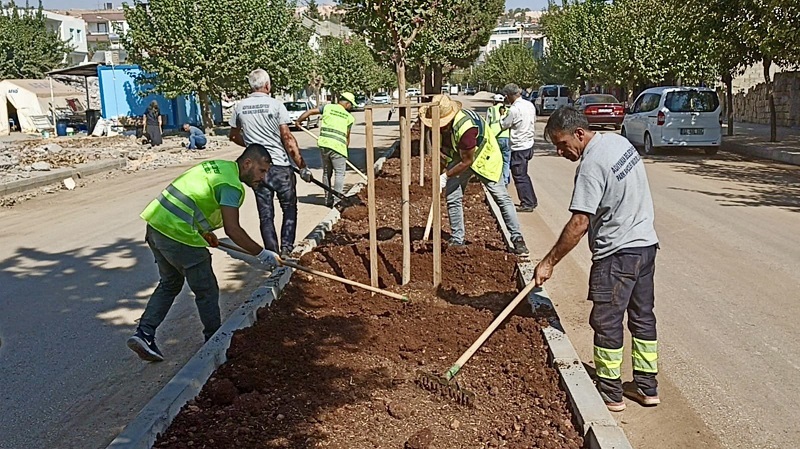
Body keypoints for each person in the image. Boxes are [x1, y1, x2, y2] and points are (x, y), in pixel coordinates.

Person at [533, 107, 660, 412]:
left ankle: (610, 391)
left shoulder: (591, 166)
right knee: (642, 318)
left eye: (562, 144)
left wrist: (549, 262)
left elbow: (579, 223)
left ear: (579, 133)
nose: (560, 151)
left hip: (617, 255)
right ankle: (647, 387)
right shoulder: (618, 143)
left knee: (607, 322)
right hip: (645, 246)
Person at [128, 144, 280, 362]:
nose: (263, 178)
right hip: (178, 233)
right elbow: (233, 230)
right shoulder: (231, 185)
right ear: (248, 163)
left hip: (157, 226)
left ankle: (144, 334)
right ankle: (215, 342)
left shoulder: (220, 168)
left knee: (170, 283)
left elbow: (195, 199)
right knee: (206, 289)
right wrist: (262, 254)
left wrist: (205, 232)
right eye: (261, 171)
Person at [419, 94, 529, 256]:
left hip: (485, 156)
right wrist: (441, 170)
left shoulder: (466, 129)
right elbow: (445, 152)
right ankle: (457, 239)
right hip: (461, 156)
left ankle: (517, 238)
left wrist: (446, 176)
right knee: (452, 197)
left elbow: (467, 161)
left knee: (501, 197)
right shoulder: (438, 129)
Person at [229, 68, 311, 258]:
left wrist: (252, 147)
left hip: (256, 170)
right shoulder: (276, 105)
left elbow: (233, 136)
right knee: (289, 207)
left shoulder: (240, 107)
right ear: (267, 85)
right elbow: (287, 139)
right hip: (280, 167)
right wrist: (302, 166)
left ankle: (272, 255)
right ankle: (286, 249)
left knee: (265, 214)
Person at [294, 92, 356, 207]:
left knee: (327, 172)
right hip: (338, 148)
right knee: (339, 174)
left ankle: (328, 199)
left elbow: (310, 111)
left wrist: (299, 121)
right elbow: (347, 137)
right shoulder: (349, 117)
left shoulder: (328, 107)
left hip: (325, 145)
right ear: (347, 104)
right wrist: (345, 151)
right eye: (351, 105)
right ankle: (337, 201)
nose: (351, 107)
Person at [500, 83, 538, 212]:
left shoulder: (514, 110)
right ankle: (531, 200)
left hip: (519, 146)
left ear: (509, 95)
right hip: (528, 144)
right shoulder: (529, 105)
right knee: (523, 175)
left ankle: (527, 203)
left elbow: (504, 125)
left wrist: (502, 116)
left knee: (519, 176)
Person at [487, 96, 511, 186]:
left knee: (494, 159)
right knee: (506, 161)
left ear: (494, 101)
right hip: (506, 137)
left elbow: (487, 124)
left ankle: (495, 179)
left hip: (495, 138)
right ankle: (505, 180)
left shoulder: (491, 109)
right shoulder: (508, 110)